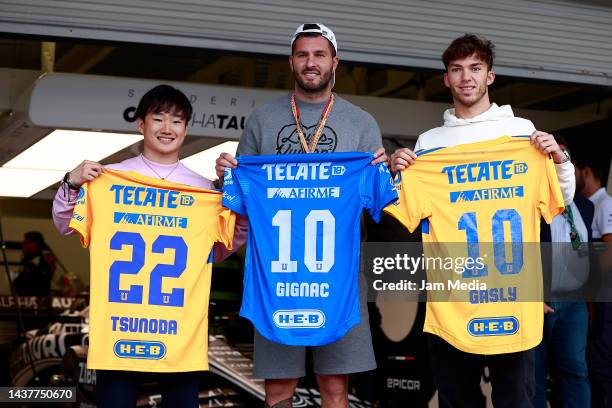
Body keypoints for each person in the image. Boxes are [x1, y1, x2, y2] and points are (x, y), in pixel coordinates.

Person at [389, 34, 576, 407]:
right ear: (446, 79)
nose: (466, 77)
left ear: (490, 75)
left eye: (475, 68)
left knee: (516, 401)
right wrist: (398, 174)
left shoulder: (522, 133)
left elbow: (560, 199)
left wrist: (559, 160)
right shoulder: (429, 144)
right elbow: (404, 210)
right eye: (456, 70)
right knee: (458, 401)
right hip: (452, 302)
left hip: (512, 299)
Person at [215, 23, 387, 408]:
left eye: (319, 54)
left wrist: (384, 171)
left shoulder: (361, 122)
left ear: (335, 62)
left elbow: (381, 204)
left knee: (335, 387)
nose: (311, 63)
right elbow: (240, 201)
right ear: (291, 62)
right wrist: (226, 176)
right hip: (277, 281)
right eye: (303, 55)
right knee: (278, 390)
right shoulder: (263, 120)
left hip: (339, 280)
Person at [52, 84, 247, 407]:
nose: (167, 128)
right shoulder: (108, 179)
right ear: (141, 124)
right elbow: (64, 224)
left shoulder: (205, 191)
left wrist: (234, 194)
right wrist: (71, 182)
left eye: (177, 121)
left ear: (186, 129)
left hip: (179, 335)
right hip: (119, 333)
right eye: (158, 118)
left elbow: (219, 249)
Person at [535, 141, 593, 408]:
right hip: (541, 302)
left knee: (575, 370)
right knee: (533, 375)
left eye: (562, 158)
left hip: (575, 304)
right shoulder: (534, 204)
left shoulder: (585, 206)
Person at [574, 156, 612, 406]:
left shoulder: (604, 203)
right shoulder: (586, 205)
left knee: (602, 364)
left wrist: (586, 279)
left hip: (603, 297)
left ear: (586, 171)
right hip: (593, 298)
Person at [13, 231, 56, 296]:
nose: (22, 244)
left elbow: (42, 283)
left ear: (34, 244)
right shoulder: (26, 261)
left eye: (26, 242)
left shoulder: (44, 261)